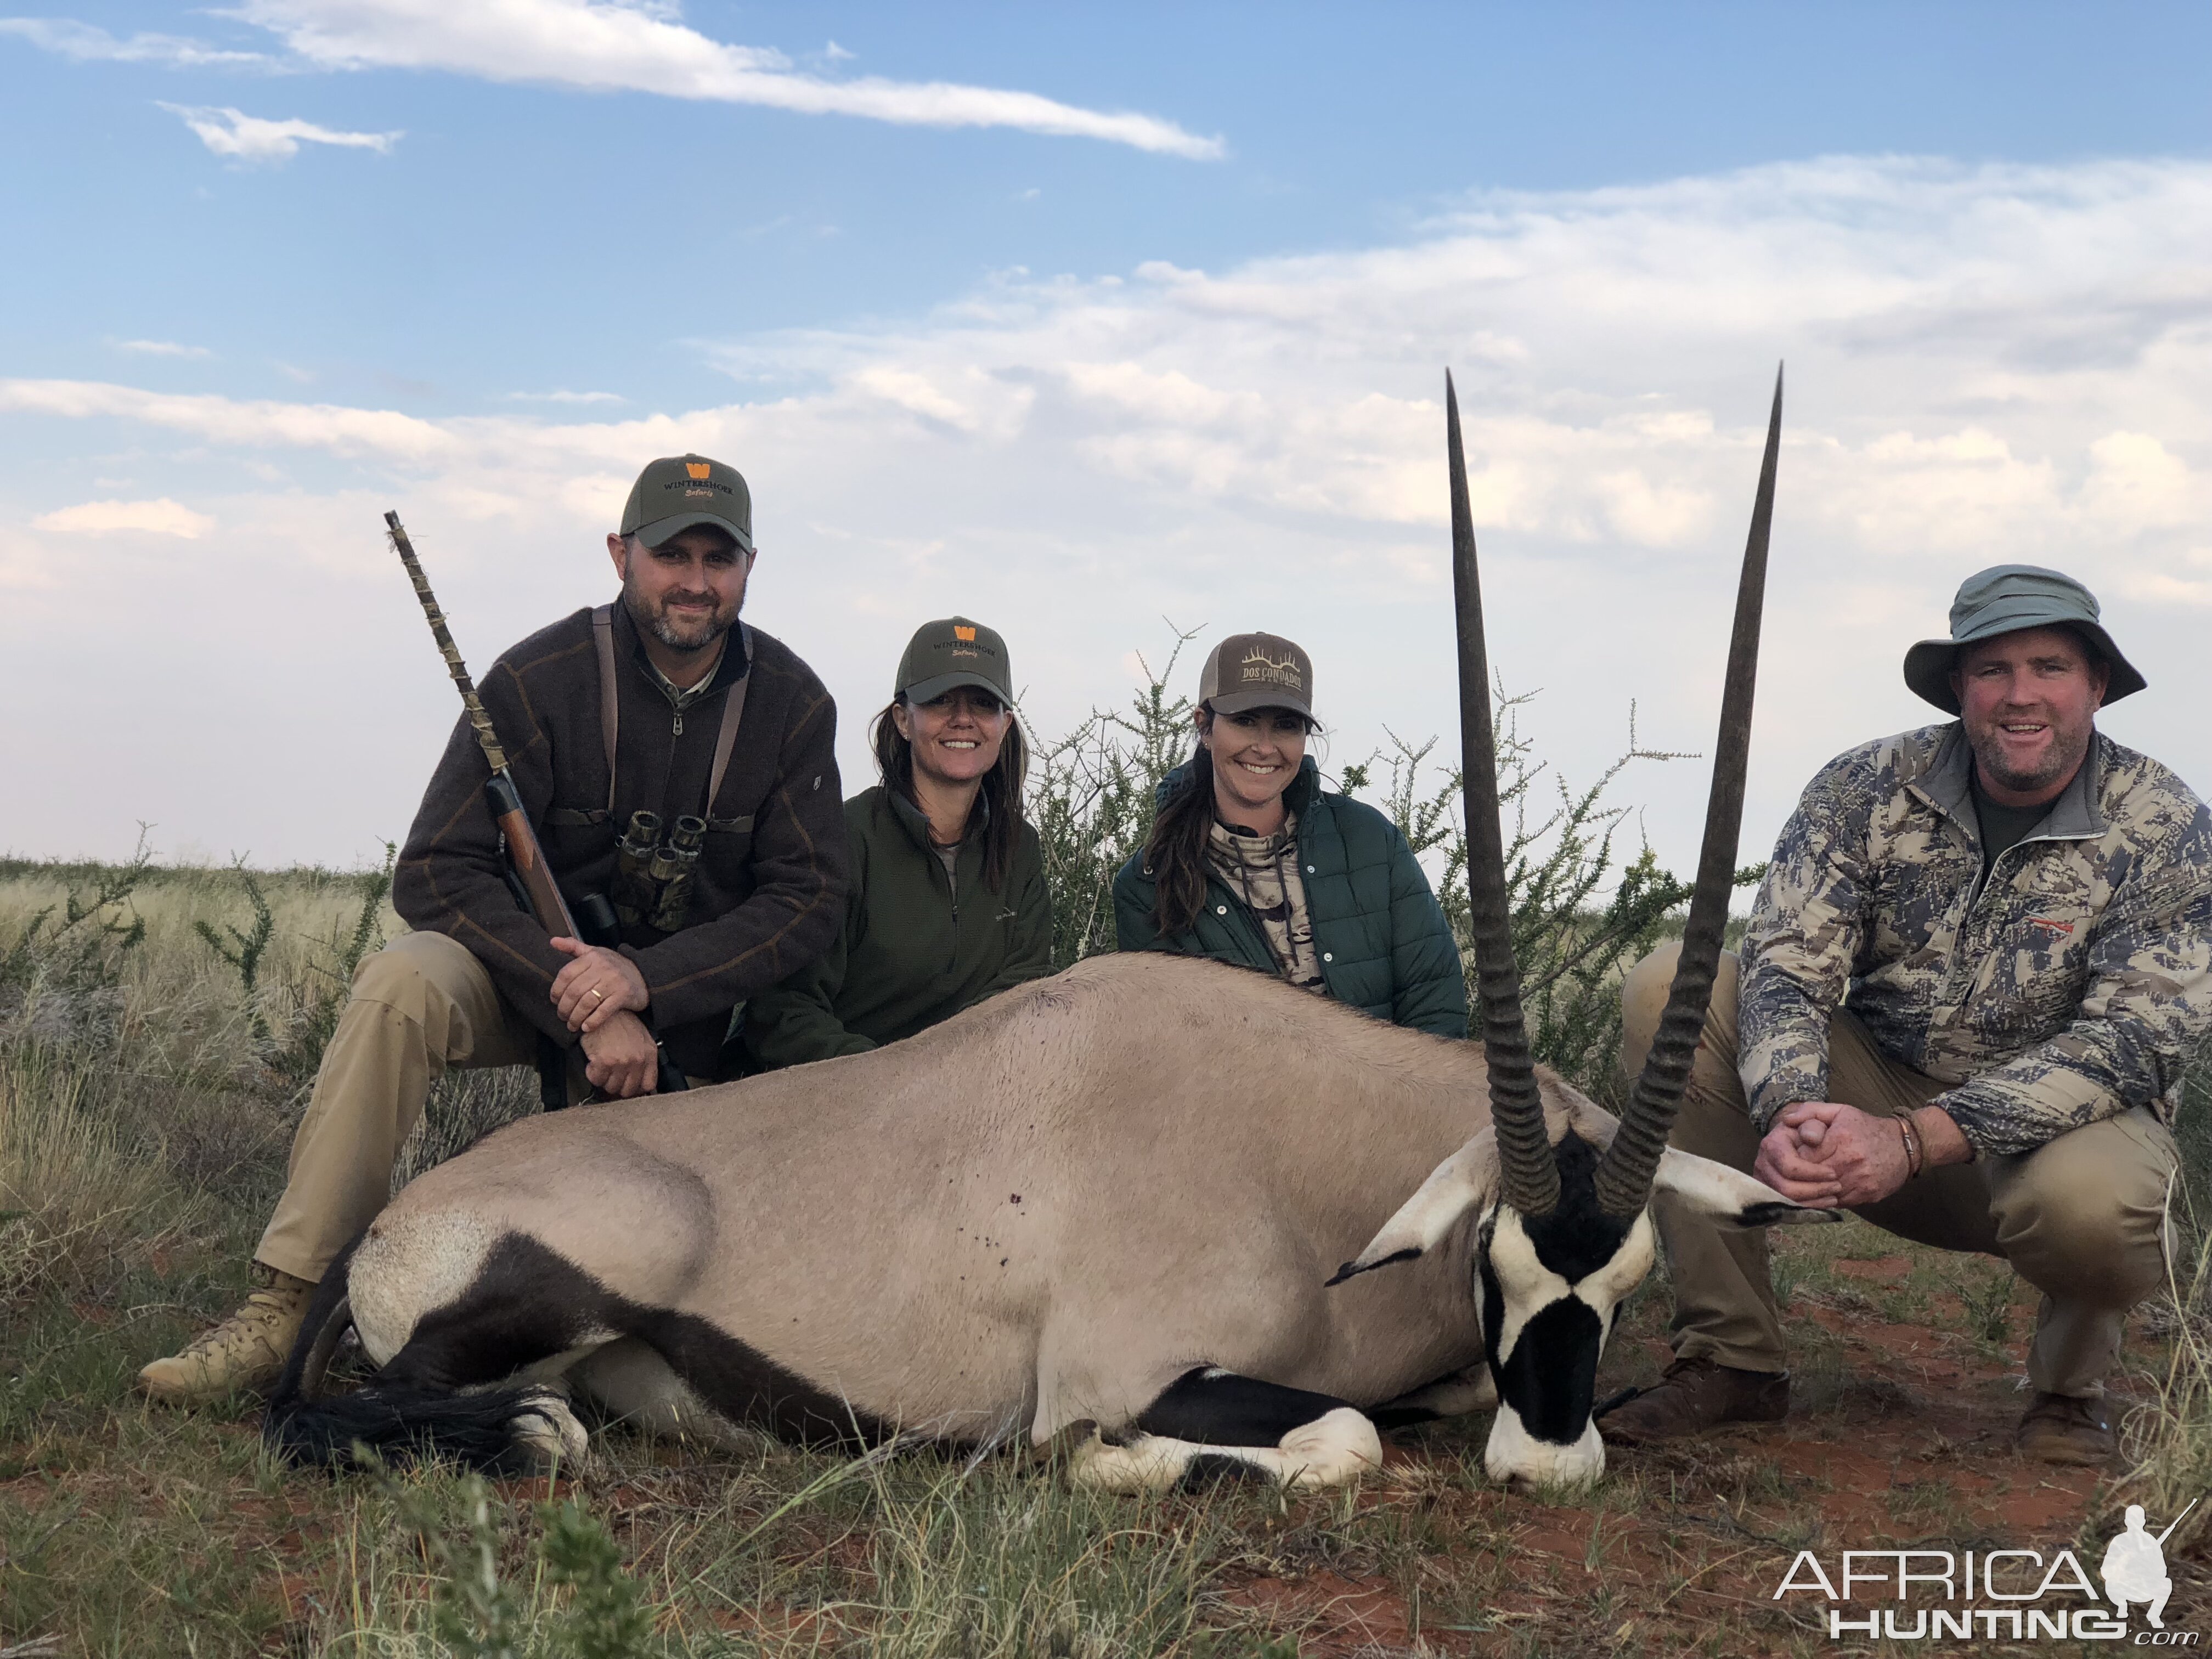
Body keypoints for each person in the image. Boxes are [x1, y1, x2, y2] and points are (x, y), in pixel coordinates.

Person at [138, 453, 850, 1402]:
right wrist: (582, 1001)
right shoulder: (539, 676)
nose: (693, 580)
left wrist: (645, 985)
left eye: (716, 559)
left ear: (749, 567)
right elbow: (436, 866)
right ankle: (287, 1303)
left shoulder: (794, 704)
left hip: (680, 1032)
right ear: (619, 554)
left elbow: (806, 898)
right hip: (534, 993)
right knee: (403, 983)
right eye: (669, 553)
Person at [1601, 565, 2212, 1464]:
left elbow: (2130, 1044)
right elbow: (1784, 960)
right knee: (1669, 987)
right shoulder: (1864, 784)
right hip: (1867, 1106)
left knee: (2096, 1198)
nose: (2019, 695)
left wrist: (1915, 1139)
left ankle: (2067, 1394)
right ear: (1958, 686)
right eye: (1991, 670)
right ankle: (1731, 1358)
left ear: (2096, 684)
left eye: (2047, 666)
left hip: (2038, 1148)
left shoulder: (2164, 823)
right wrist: (1793, 1111)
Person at [1113, 631, 1467, 1036]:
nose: (1265, 748)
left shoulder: (1371, 841)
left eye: (1286, 726)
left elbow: (1436, 1002)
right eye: (1245, 721)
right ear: (1205, 728)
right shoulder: (1147, 884)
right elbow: (1168, 1046)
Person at [743, 617, 1052, 1068]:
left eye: (983, 704)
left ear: (1005, 726)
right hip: (833, 1098)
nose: (963, 719)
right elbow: (782, 1013)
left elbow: (1024, 995)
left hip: (968, 1094)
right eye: (941, 700)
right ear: (904, 720)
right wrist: (895, 1080)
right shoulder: (842, 837)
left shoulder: (1020, 850)